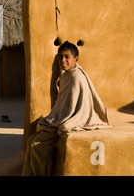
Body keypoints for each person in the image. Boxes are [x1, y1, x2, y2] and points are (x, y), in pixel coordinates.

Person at [22, 41, 111, 176]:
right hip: (59, 116)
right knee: (30, 141)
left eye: (66, 57)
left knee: (36, 146)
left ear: (76, 59)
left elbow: (74, 108)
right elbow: (64, 103)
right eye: (60, 57)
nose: (63, 60)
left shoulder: (76, 77)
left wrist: (56, 119)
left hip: (67, 119)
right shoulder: (67, 75)